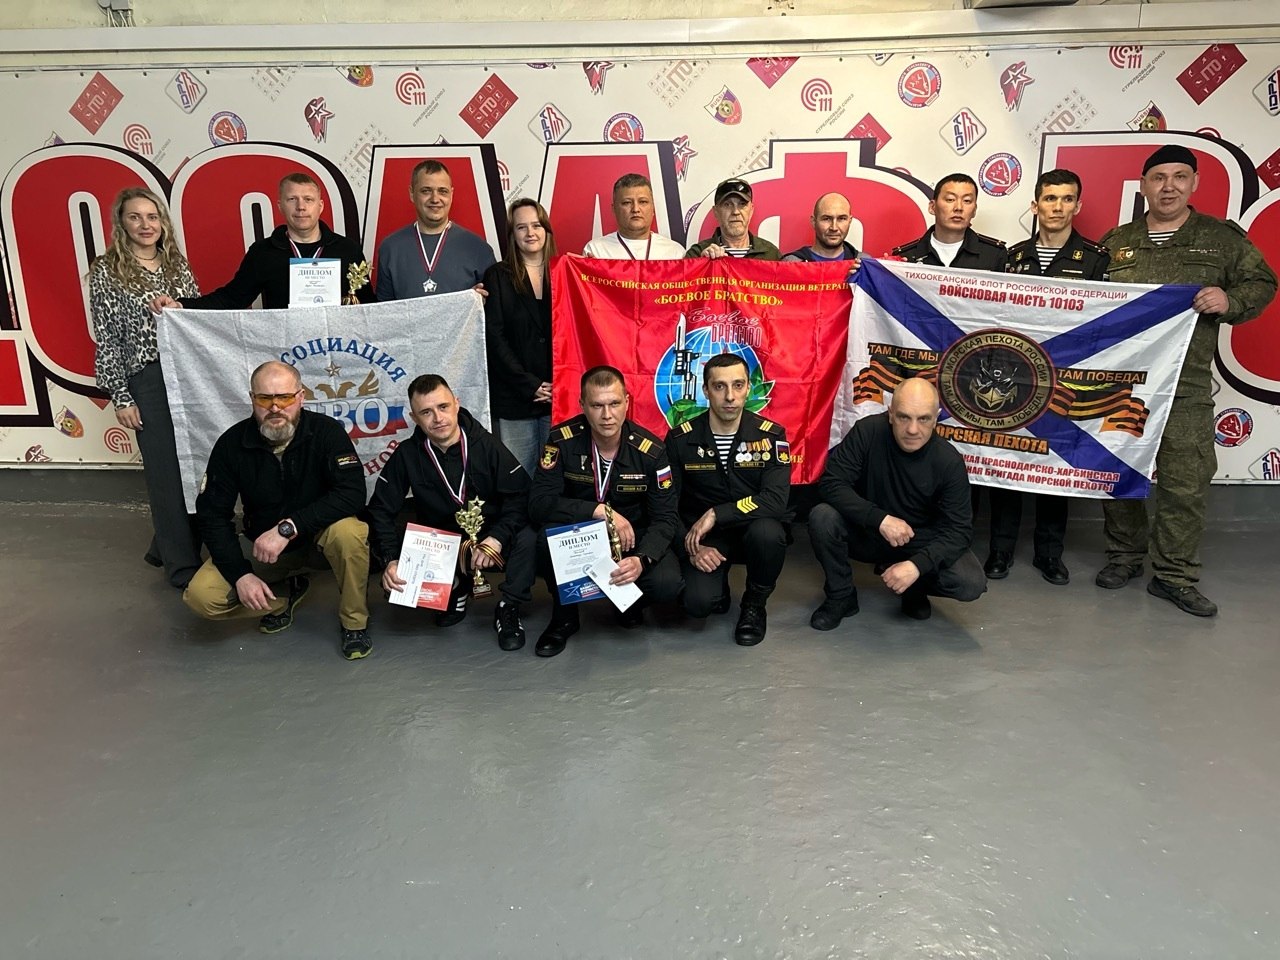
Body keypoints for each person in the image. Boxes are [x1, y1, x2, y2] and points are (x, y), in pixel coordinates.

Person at [1095, 144, 1277, 617]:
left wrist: (1230, 301)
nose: (1169, 186)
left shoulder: (1219, 239)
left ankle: (1174, 575)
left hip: (1185, 383)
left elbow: (1262, 283)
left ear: (1194, 183)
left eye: (1179, 176)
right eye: (1158, 177)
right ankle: (1124, 556)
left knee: (1186, 481)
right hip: (1124, 383)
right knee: (1119, 473)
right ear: (1144, 185)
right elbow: (1088, 303)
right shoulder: (1115, 242)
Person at [183, 361, 372, 660]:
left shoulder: (327, 432)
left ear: (301, 397)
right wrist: (241, 575)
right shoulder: (231, 444)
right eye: (265, 398)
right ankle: (282, 598)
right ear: (252, 399)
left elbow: (353, 494)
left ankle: (354, 623)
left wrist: (289, 527)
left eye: (284, 397)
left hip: (319, 542)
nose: (275, 407)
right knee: (202, 598)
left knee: (349, 532)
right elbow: (212, 515)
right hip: (265, 550)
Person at [987, 168, 1111, 586]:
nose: (1057, 207)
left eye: (1066, 199)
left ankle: (1049, 554)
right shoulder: (1012, 257)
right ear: (1035, 205)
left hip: (1065, 380)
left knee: (1055, 466)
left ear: (1078, 205)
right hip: (1015, 377)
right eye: (1050, 198)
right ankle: (1000, 550)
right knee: (1007, 461)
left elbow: (1104, 323)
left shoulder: (1095, 259)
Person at [368, 375, 535, 651]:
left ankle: (509, 606)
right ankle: (456, 587)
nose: (438, 418)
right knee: (401, 573)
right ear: (414, 418)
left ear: (456, 404)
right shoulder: (408, 454)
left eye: (443, 407)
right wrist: (390, 559)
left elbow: (520, 496)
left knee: (529, 535)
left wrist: (497, 537)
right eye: (426, 412)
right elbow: (380, 510)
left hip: (491, 539)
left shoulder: (486, 445)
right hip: (444, 544)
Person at [89, 186, 203, 589]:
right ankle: (182, 567)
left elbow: (197, 316)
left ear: (162, 222)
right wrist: (120, 396)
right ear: (122, 222)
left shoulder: (176, 264)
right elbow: (106, 337)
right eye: (135, 217)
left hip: (186, 374)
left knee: (196, 466)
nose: (145, 225)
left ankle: (165, 546)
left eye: (152, 217)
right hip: (148, 377)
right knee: (166, 473)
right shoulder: (107, 270)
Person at [528, 366, 682, 657]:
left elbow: (665, 517)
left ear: (627, 402)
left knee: (667, 584)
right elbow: (538, 504)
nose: (607, 415)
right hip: (581, 535)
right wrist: (597, 509)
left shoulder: (651, 451)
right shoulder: (561, 441)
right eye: (597, 405)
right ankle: (564, 618)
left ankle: (628, 603)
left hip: (631, 539)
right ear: (582, 405)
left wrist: (642, 559)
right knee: (546, 538)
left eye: (614, 403)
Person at [808, 378, 986, 629]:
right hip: (869, 531)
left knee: (970, 583)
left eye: (923, 419)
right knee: (822, 516)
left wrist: (918, 565)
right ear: (890, 413)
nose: (912, 429)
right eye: (904, 417)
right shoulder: (867, 432)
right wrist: (879, 519)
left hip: (917, 541)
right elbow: (831, 483)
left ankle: (914, 587)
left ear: (936, 419)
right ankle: (841, 596)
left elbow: (959, 530)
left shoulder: (948, 461)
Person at [664, 353, 792, 646]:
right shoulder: (680, 439)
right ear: (706, 390)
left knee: (768, 533)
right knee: (697, 604)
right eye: (719, 386)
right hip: (706, 539)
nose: (730, 396)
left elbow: (775, 500)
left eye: (738, 385)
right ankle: (717, 587)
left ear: (748, 388)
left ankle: (754, 604)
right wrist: (690, 548)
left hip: (752, 531)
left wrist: (717, 513)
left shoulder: (771, 436)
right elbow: (667, 505)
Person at [150, 173, 369, 312]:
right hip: (285, 355)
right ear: (280, 206)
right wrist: (181, 305)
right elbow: (232, 298)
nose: (301, 207)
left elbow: (368, 306)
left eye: (308, 200)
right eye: (292, 199)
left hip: (338, 351)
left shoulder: (348, 250)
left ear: (320, 206)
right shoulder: (263, 252)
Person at [483, 199, 555, 475]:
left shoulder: (564, 271)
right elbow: (495, 339)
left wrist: (562, 382)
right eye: (521, 227)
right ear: (512, 234)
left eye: (536, 225)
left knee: (554, 476)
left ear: (547, 229)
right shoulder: (498, 276)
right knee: (518, 476)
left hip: (558, 396)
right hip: (514, 397)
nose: (530, 233)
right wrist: (530, 384)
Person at [375, 160, 496, 300]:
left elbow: (494, 306)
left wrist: (480, 302)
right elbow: (383, 310)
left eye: (442, 191)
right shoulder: (390, 248)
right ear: (412, 193)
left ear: (451, 194)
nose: (435, 199)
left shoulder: (479, 249)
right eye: (426, 191)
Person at [890, 173, 1006, 270]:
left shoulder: (994, 254)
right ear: (932, 207)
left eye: (967, 201)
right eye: (950, 199)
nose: (958, 207)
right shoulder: (905, 257)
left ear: (974, 210)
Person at [583, 173, 686, 260]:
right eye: (627, 203)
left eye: (643, 202)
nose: (635, 209)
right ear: (614, 209)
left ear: (653, 208)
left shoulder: (675, 253)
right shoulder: (596, 251)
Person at [685, 179, 781, 260]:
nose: (735, 212)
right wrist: (701, 265)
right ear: (716, 212)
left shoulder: (771, 254)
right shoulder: (697, 254)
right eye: (727, 205)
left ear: (751, 211)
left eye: (742, 204)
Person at [782, 193, 860, 263]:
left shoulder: (862, 263)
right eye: (826, 219)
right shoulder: (791, 264)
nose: (834, 228)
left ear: (850, 221)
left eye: (841, 219)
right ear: (814, 221)